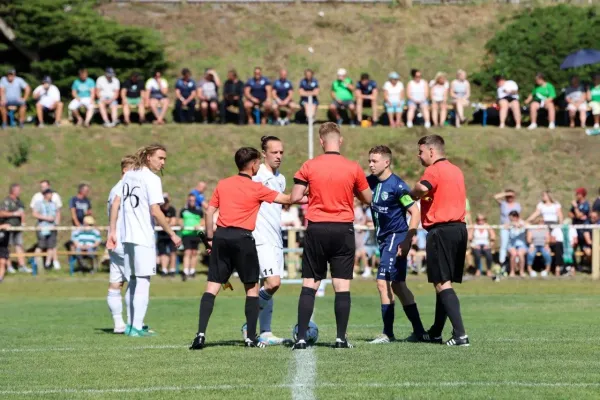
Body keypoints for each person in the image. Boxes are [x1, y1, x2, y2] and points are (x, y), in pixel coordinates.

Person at [189, 147, 304, 350]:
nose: (259, 166)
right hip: (243, 239)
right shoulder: (257, 188)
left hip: (222, 237)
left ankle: (200, 335)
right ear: (252, 165)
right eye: (258, 163)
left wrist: (209, 238)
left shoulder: (223, 184)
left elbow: (209, 211)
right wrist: (311, 190)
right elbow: (288, 199)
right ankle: (251, 337)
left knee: (212, 288)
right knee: (251, 289)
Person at [290, 122, 372, 350]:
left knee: (310, 283)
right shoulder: (353, 167)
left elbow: (296, 196)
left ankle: (301, 338)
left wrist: (312, 195)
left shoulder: (309, 165)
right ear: (341, 140)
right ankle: (340, 338)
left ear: (321, 141)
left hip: (317, 227)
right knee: (341, 285)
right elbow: (368, 198)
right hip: (342, 228)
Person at [107, 144, 182, 337]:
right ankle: (136, 327)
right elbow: (155, 210)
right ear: (148, 157)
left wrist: (113, 230)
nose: (163, 162)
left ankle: (132, 325)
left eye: (165, 159)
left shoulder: (130, 175)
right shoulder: (152, 179)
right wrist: (172, 233)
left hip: (127, 237)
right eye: (160, 158)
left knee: (133, 280)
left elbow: (117, 203)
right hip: (142, 236)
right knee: (142, 281)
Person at [408, 134, 469, 346]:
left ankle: (460, 334)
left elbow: (422, 187)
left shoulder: (434, 169)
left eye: (421, 151)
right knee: (443, 282)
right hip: (459, 229)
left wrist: (410, 195)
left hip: (441, 230)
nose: (419, 155)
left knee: (442, 282)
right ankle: (435, 331)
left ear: (432, 152)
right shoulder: (456, 170)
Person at [366, 145, 427, 344]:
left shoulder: (398, 186)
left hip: (396, 237)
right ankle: (419, 331)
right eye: (370, 161)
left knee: (382, 283)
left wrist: (409, 238)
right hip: (383, 239)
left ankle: (387, 334)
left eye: (374, 161)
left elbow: (415, 212)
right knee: (399, 286)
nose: (371, 165)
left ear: (387, 162)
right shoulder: (370, 183)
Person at [252, 136, 287, 345]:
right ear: (264, 153)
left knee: (263, 285)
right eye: (274, 152)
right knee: (273, 283)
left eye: (281, 152)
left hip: (276, 238)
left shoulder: (280, 178)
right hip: (259, 238)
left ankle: (264, 332)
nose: (279, 156)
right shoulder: (256, 176)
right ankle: (250, 322)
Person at [106, 155, 135, 334]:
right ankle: (133, 322)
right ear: (125, 170)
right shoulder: (123, 189)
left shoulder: (115, 189)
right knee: (137, 280)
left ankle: (119, 324)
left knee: (116, 283)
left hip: (116, 241)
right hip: (124, 241)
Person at [0, 184, 28, 273]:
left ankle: (22, 266)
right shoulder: (6, 201)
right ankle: (8, 266)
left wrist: (23, 223)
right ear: (13, 191)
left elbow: (22, 213)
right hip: (8, 228)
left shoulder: (19, 202)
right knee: (7, 247)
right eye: (18, 190)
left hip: (18, 227)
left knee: (19, 245)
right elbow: (1, 213)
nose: (20, 192)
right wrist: (13, 214)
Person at [32, 188, 60, 270]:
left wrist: (56, 223)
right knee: (41, 245)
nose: (51, 195)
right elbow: (35, 214)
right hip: (42, 227)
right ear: (45, 195)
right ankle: (35, 261)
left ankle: (47, 264)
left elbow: (57, 213)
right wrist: (46, 218)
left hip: (52, 227)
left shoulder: (53, 204)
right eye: (50, 194)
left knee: (51, 246)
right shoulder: (39, 203)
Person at [493, 189, 521, 267]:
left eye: (511, 196)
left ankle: (516, 264)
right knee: (504, 245)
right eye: (508, 196)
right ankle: (502, 262)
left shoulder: (517, 205)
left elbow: (518, 217)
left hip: (514, 227)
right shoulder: (503, 204)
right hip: (504, 227)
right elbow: (495, 197)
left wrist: (513, 224)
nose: (510, 198)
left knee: (515, 245)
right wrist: (505, 193)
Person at [180, 193, 203, 279]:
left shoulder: (199, 211)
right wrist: (181, 224)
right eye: (190, 200)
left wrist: (199, 225)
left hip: (196, 234)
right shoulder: (184, 210)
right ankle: (185, 271)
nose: (192, 202)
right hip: (186, 234)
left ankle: (192, 271)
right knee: (187, 252)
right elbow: (180, 220)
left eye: (193, 200)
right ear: (188, 200)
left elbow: (203, 221)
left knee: (194, 253)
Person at [157, 193, 177, 277]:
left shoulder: (172, 209)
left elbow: (173, 222)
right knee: (163, 253)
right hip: (161, 234)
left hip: (171, 234)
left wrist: (164, 221)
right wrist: (166, 221)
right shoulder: (158, 209)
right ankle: (164, 270)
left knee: (173, 252)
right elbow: (157, 222)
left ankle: (172, 270)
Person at [506, 210, 527, 277]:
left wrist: (521, 225)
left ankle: (521, 271)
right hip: (511, 245)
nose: (510, 219)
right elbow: (505, 226)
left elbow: (528, 225)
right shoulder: (510, 223)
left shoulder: (523, 222)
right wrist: (512, 224)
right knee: (514, 254)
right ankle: (512, 271)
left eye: (511, 218)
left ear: (516, 217)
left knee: (520, 254)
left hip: (522, 245)